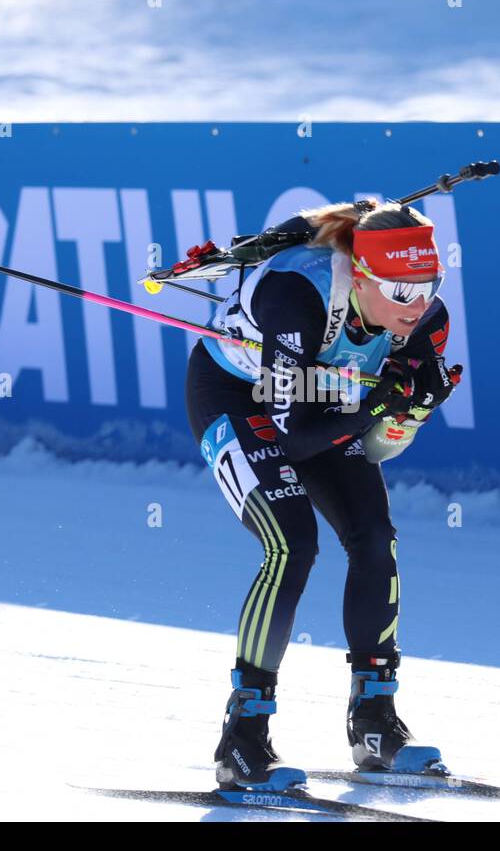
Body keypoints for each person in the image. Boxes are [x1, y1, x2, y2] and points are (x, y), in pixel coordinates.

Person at [184, 197, 460, 790]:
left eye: (429, 286)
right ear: (361, 276)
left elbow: (381, 447)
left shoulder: (425, 322)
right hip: (240, 399)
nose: (418, 306)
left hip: (329, 407)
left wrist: (406, 414)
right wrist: (373, 408)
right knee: (291, 543)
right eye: (401, 291)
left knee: (374, 538)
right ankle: (243, 736)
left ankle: (375, 720)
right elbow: (294, 441)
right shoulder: (298, 297)